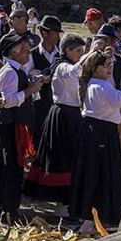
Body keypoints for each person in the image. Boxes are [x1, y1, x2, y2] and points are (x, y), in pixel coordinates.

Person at [70, 49, 121, 233]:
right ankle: (95, 217)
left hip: (98, 131)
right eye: (106, 65)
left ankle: (92, 217)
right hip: (100, 133)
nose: (110, 68)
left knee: (96, 174)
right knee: (99, 174)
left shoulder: (97, 84)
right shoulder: (100, 86)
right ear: (95, 68)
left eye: (111, 64)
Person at [24, 34, 86, 213]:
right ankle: (62, 206)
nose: (81, 54)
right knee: (61, 160)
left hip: (74, 115)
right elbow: (74, 72)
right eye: (78, 51)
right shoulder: (61, 66)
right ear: (67, 51)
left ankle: (70, 204)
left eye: (83, 51)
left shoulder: (71, 64)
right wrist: (91, 54)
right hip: (62, 116)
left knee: (72, 159)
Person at [0, 33, 43, 224]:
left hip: (14, 123)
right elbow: (9, 101)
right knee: (11, 168)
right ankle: (7, 210)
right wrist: (31, 89)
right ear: (13, 54)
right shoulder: (9, 72)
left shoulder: (16, 71)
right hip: (9, 124)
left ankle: (9, 209)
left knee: (14, 167)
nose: (28, 52)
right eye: (23, 49)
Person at [30, 15, 63, 146]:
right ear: (44, 33)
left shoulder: (61, 55)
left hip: (56, 105)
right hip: (38, 106)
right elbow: (27, 77)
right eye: (55, 33)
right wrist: (38, 78)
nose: (58, 37)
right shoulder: (32, 54)